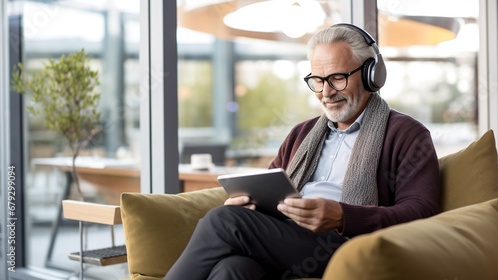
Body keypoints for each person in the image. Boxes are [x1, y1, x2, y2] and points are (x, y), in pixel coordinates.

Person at [164, 23, 440, 280]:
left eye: (337, 78)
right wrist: (248, 207)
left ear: (372, 75)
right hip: (289, 239)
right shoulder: (302, 133)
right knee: (234, 269)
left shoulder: (407, 134)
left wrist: (343, 216)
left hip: (349, 246)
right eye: (317, 80)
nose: (326, 92)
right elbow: (270, 188)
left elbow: (421, 213)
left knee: (224, 221)